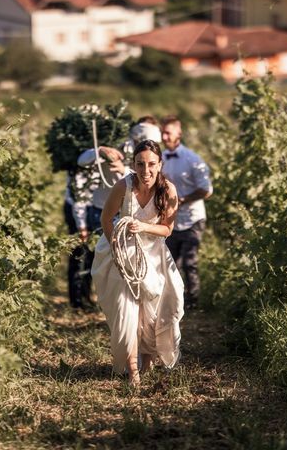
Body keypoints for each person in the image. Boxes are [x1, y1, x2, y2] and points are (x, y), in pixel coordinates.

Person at [91, 140, 184, 386]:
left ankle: (147, 360)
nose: (146, 171)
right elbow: (106, 218)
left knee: (154, 313)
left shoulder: (169, 190)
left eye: (151, 164)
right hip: (122, 253)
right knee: (126, 312)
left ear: (160, 164)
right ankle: (133, 372)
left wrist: (143, 226)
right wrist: (116, 246)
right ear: (133, 165)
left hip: (152, 255)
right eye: (140, 164)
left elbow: (167, 229)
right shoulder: (123, 186)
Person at [160, 116, 213, 309]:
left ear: (179, 134)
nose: (164, 137)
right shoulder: (161, 159)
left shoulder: (193, 160)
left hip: (192, 218)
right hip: (170, 219)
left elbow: (206, 190)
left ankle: (193, 301)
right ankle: (174, 300)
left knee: (189, 261)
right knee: (170, 262)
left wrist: (182, 199)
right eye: (163, 133)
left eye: (168, 132)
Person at [76, 116, 162, 232]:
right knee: (104, 248)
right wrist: (100, 151)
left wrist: (124, 170)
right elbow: (82, 161)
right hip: (103, 209)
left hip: (131, 213)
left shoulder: (154, 156)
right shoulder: (117, 145)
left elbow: (148, 177)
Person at [63, 169, 94, 310]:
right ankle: (76, 301)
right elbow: (78, 197)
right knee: (78, 254)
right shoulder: (80, 164)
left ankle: (86, 296)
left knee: (92, 255)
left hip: (93, 208)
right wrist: (81, 225)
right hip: (77, 207)